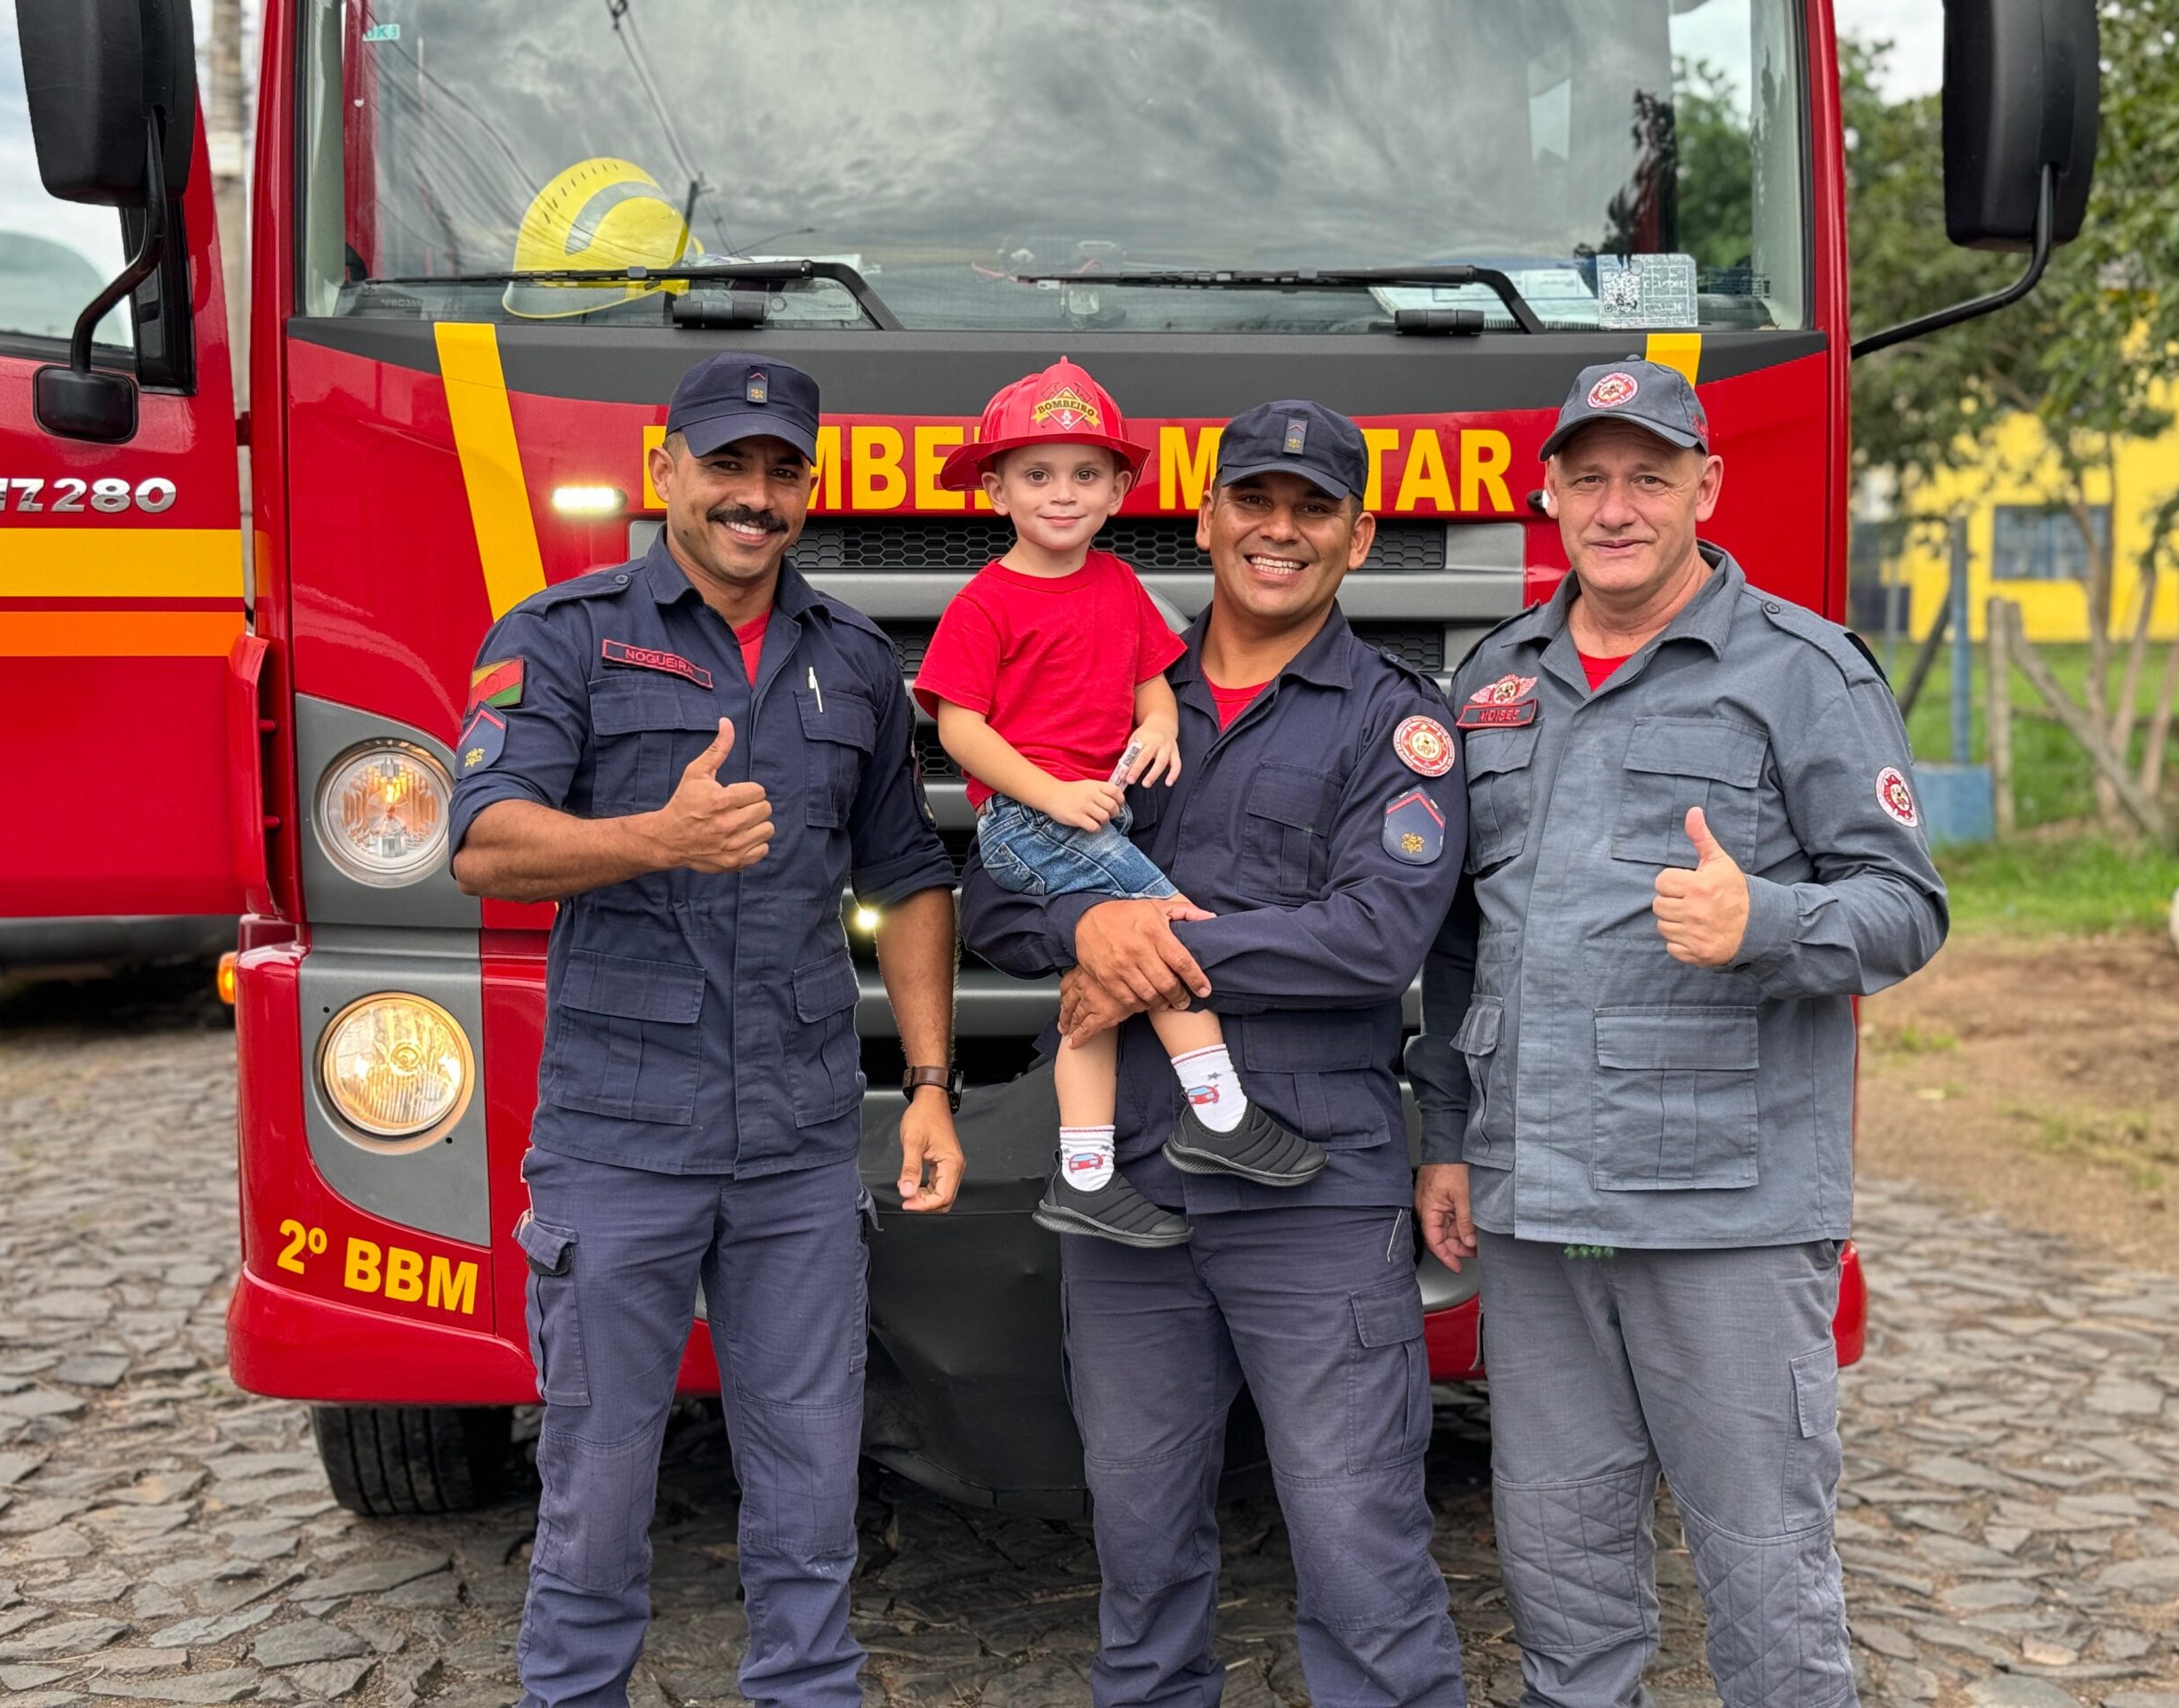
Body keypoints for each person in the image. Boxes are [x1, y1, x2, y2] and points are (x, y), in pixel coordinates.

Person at [1408, 359, 1947, 1708]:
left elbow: (1904, 906)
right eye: (1588, 476)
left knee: (1764, 1571)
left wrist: (1764, 919)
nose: (1617, 504)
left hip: (1727, 1207)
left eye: (1650, 475)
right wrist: (1448, 1139)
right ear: (1547, 495)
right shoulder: (1497, 684)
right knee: (1561, 1566)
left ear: (1706, 486)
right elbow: (1463, 939)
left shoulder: (1800, 671)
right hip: (1540, 1205)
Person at [447, 351, 964, 1708]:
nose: (753, 495)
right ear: (661, 468)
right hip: (621, 1135)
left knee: (809, 1480)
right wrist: (653, 838)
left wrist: (925, 1082)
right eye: (724, 465)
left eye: (779, 471)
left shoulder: (852, 659)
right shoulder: (558, 633)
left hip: (796, 1141)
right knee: (600, 1481)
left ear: (807, 488)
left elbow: (906, 876)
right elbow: (486, 847)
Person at [964, 399, 1471, 1708]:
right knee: (1138, 1547)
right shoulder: (1117, 692)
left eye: (1314, 510)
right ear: (1206, 519)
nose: (1280, 531)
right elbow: (1000, 897)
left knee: (1359, 1544)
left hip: (1312, 1189)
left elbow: (1374, 937)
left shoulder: (1395, 723)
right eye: (1256, 501)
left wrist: (1148, 946)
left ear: (1358, 540)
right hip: (1126, 1190)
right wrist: (1088, 918)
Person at [917, 359, 1327, 1250]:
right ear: (994, 491)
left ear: (1117, 492)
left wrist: (1161, 729)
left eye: (1084, 476)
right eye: (1035, 475)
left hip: (1097, 813)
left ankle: (1087, 1171)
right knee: (1166, 934)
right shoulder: (984, 604)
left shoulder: (1116, 586)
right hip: (1034, 823)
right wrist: (1052, 794)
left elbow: (1152, 681)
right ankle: (1219, 1117)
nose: (1061, 495)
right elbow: (961, 731)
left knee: (1106, 982)